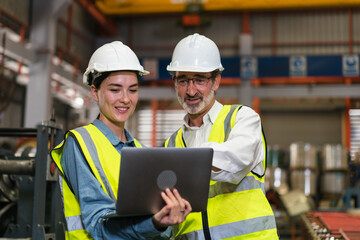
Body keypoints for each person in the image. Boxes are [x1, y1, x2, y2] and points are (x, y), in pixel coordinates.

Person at [51, 41, 191, 240]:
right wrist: (154, 223)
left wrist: (167, 220)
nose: (125, 99)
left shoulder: (142, 151)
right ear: (94, 92)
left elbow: (155, 224)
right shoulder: (80, 143)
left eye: (132, 90)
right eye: (115, 90)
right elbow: (99, 226)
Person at [164, 33, 279, 239]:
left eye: (199, 80)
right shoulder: (171, 144)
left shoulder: (242, 119)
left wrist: (184, 161)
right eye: (182, 80)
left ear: (216, 81)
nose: (191, 91)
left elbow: (237, 160)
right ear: (174, 83)